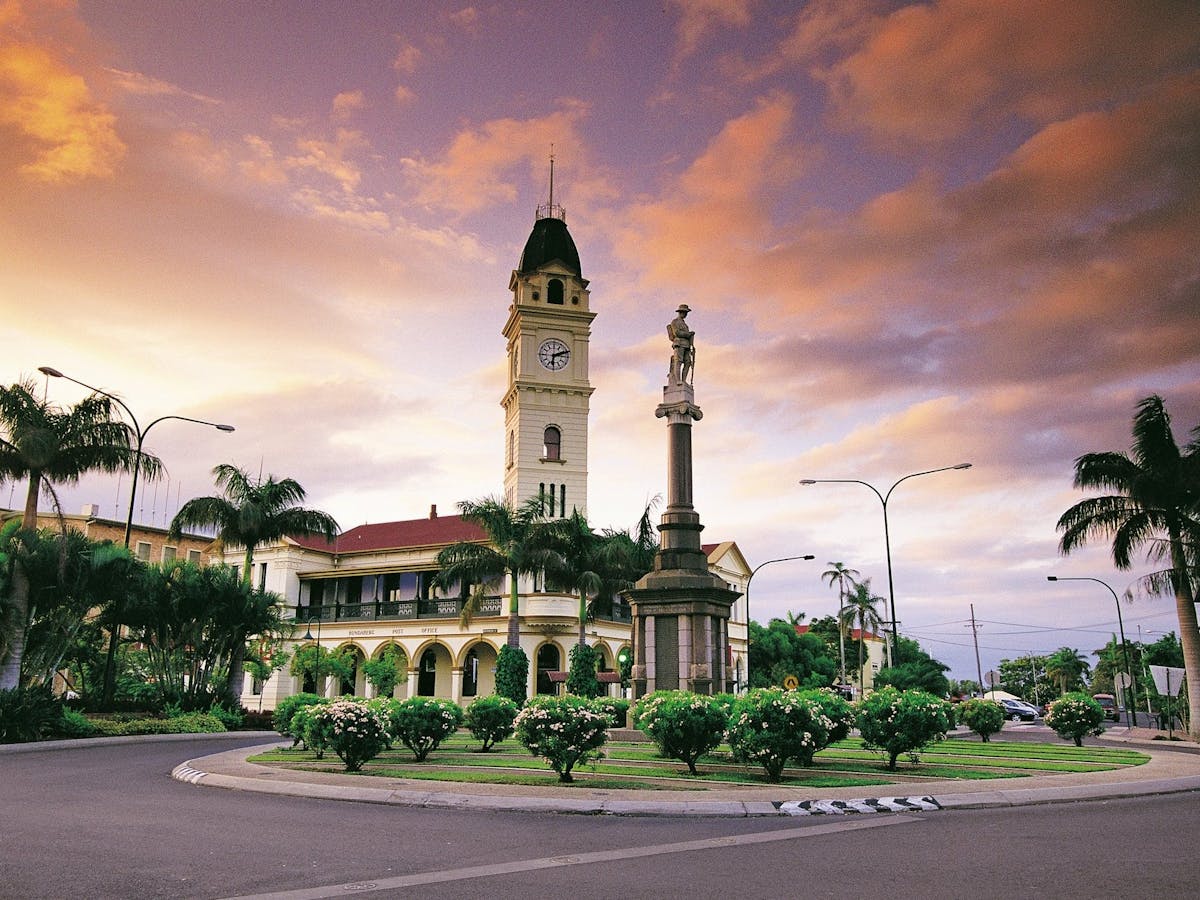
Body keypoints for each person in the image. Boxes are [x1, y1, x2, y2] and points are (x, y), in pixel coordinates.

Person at [667, 304, 695, 385]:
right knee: (678, 361)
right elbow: (677, 333)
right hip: (679, 343)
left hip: (686, 345)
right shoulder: (675, 322)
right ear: (681, 312)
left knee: (688, 362)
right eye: (685, 312)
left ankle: (683, 380)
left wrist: (691, 344)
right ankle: (678, 380)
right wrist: (688, 334)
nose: (686, 314)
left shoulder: (685, 324)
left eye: (686, 313)